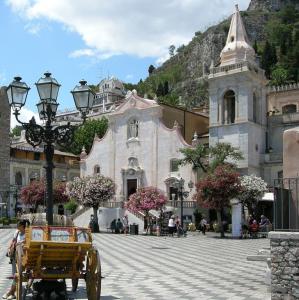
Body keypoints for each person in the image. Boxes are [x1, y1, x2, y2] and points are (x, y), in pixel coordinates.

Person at [3, 220, 29, 299]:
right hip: (15, 256)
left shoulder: (27, 234)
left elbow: (27, 243)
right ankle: (11, 292)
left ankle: (11, 292)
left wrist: (21, 243)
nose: (17, 226)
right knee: (15, 273)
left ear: (22, 226)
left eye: (18, 225)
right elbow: (13, 240)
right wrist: (10, 247)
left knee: (16, 275)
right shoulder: (17, 232)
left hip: (23, 257)